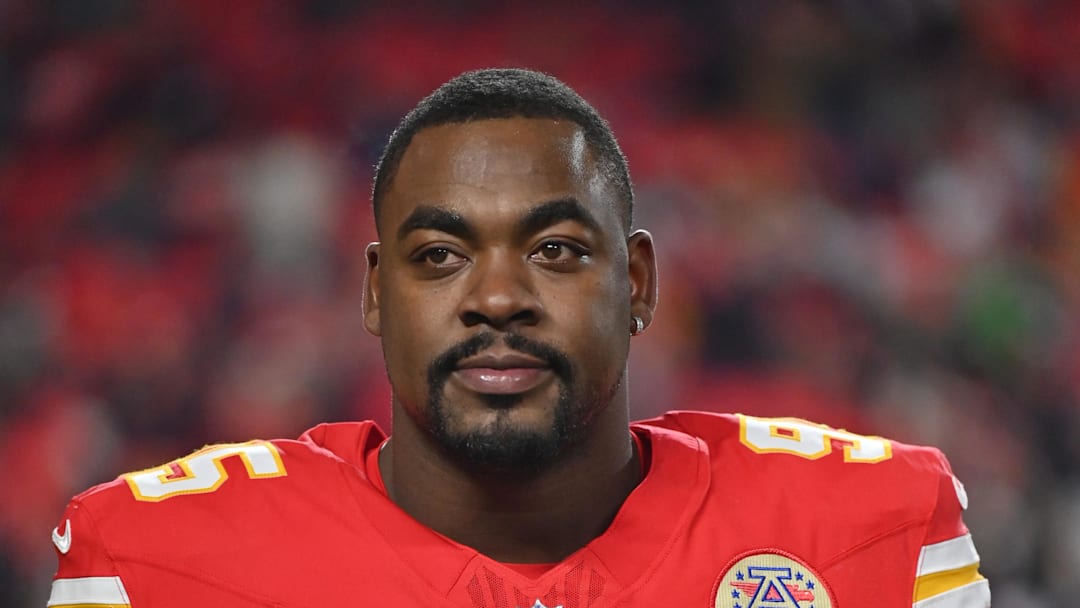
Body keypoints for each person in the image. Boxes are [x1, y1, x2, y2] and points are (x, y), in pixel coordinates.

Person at [46, 69, 990, 608]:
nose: (498, 296)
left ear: (640, 284)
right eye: (441, 255)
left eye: (554, 248)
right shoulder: (158, 563)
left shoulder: (871, 533)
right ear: (377, 292)